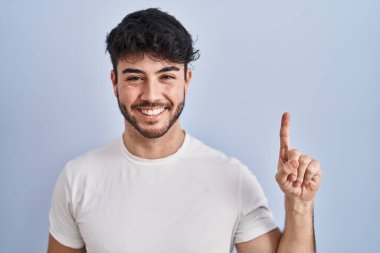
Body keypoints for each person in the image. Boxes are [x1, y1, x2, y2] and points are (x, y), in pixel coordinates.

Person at [47, 8, 322, 253]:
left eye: (166, 76)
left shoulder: (232, 178)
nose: (151, 95)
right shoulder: (77, 179)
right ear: (114, 82)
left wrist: (299, 204)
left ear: (186, 80)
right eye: (134, 78)